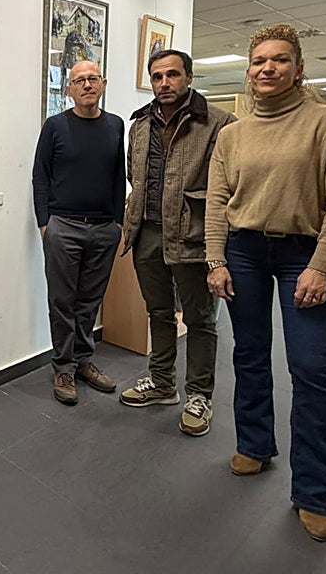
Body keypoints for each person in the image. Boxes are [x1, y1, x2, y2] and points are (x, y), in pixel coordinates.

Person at [205, 24, 326, 543]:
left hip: (305, 254)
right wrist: (215, 259)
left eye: (279, 60)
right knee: (249, 353)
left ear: (299, 69)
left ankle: (314, 492)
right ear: (248, 71)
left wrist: (322, 265)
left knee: (311, 369)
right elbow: (217, 201)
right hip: (244, 251)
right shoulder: (232, 134)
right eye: (258, 61)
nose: (267, 68)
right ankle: (254, 444)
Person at [120, 49, 234, 436]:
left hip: (193, 235)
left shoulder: (219, 123)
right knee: (159, 311)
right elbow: (134, 175)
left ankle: (199, 395)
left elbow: (230, 184)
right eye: (157, 76)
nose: (164, 83)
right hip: (146, 232)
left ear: (189, 77)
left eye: (172, 74)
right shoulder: (139, 124)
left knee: (200, 319)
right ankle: (162, 382)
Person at [32, 60, 126, 405]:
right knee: (62, 301)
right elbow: (40, 176)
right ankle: (63, 367)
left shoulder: (115, 125)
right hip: (63, 227)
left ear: (103, 84)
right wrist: (45, 223)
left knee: (90, 300)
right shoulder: (55, 126)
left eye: (92, 79)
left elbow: (119, 176)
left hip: (104, 228)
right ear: (69, 89)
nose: (87, 85)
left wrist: (118, 222)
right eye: (79, 80)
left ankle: (84, 361)